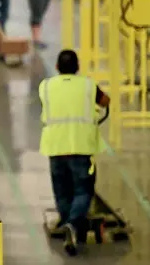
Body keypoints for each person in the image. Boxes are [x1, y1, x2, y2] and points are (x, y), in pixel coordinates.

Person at [38, 50, 110, 256]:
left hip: (55, 146)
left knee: (61, 191)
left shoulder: (46, 86)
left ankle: (68, 223)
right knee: (83, 190)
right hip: (81, 146)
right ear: (78, 67)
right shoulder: (87, 85)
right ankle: (72, 224)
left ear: (58, 67)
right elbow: (105, 101)